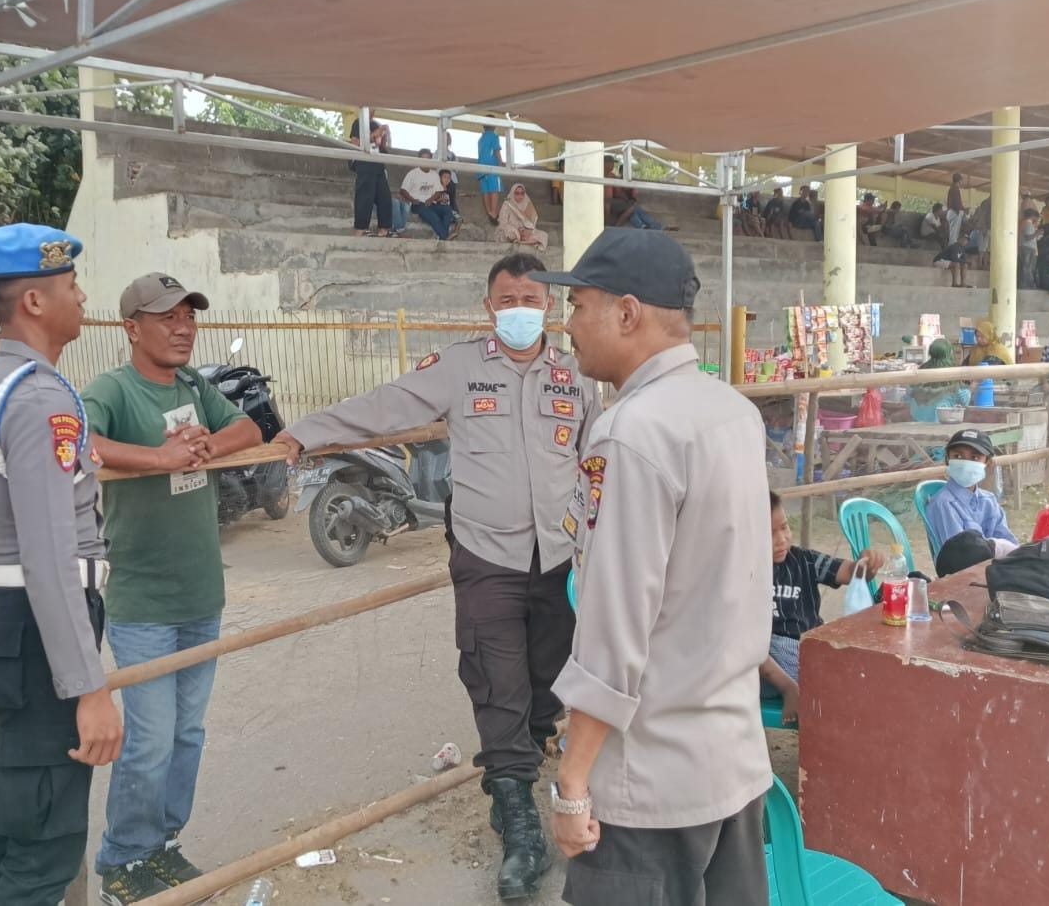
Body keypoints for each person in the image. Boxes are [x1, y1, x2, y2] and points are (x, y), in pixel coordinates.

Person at [275, 254, 598, 901]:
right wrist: (303, 433)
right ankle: (518, 819)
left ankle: (521, 771)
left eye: (531, 299)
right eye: (508, 299)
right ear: (489, 307)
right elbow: (384, 406)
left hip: (560, 559)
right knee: (497, 681)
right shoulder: (459, 367)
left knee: (548, 681)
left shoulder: (576, 377)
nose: (520, 309)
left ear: (550, 306)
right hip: (487, 557)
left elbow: (596, 461)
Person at [534, 229, 772, 906]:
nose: (567, 325)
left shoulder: (632, 433)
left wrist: (572, 782)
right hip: (732, 759)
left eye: (578, 305)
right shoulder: (732, 412)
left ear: (627, 313)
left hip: (652, 784)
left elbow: (614, 630)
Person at [0, 223, 123, 906]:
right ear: (32, 301)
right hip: (38, 633)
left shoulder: (4, 383)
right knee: (44, 848)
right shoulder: (38, 398)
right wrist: (89, 689)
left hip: (13, 627)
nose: (81, 297)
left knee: (7, 835)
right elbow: (50, 556)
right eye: (70, 285)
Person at [83, 273, 263, 903]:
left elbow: (249, 430)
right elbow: (81, 443)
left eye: (189, 316)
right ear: (131, 329)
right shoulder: (112, 389)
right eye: (168, 318)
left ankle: (161, 845)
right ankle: (121, 860)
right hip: (143, 599)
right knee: (151, 738)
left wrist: (208, 442)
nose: (184, 328)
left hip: (200, 593)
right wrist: (159, 458)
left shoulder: (192, 386)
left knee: (186, 735)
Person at [759, 490, 880, 724]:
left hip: (807, 649)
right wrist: (788, 687)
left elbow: (849, 572)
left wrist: (865, 565)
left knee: (851, 661)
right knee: (760, 644)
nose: (782, 539)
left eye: (784, 527)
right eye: (770, 533)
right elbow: (746, 643)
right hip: (769, 666)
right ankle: (805, 686)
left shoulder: (804, 560)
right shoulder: (745, 573)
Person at [924, 429, 1018, 551]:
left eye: (975, 457)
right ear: (947, 459)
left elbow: (1008, 541)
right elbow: (959, 554)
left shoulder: (988, 500)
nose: (965, 463)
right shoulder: (943, 504)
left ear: (988, 463)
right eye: (958, 456)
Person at [398, 148, 459, 240]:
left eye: (428, 159)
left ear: (431, 159)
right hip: (418, 204)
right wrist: (413, 200)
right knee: (433, 216)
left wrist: (431, 199)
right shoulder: (413, 173)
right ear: (419, 160)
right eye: (423, 159)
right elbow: (403, 190)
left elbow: (438, 191)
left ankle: (442, 237)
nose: (426, 162)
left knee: (447, 209)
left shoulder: (434, 174)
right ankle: (445, 237)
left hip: (431, 203)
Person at [905, 338, 970, 422]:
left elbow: (909, 394)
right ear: (949, 353)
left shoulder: (922, 369)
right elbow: (964, 399)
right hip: (942, 421)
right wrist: (971, 389)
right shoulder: (953, 371)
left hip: (918, 421)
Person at [348, 117, 393, 236]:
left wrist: (384, 136)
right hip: (364, 162)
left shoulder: (376, 124)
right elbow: (355, 143)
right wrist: (373, 135)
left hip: (378, 163)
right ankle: (361, 229)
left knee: (385, 198)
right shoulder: (359, 122)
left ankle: (384, 230)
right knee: (365, 197)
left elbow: (381, 147)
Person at [603, 158, 661, 230]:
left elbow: (632, 196)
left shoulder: (627, 181)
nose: (613, 165)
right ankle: (648, 226)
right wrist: (626, 199)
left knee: (634, 208)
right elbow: (618, 193)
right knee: (632, 208)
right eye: (624, 171)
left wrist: (628, 199)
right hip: (614, 201)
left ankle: (647, 226)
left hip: (623, 201)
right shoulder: (615, 178)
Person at [496, 183, 547, 248]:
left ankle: (521, 242)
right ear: (512, 193)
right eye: (517, 193)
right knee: (511, 234)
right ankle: (523, 240)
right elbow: (503, 223)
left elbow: (532, 222)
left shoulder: (527, 202)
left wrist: (526, 229)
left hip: (524, 231)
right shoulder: (507, 204)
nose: (520, 196)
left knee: (543, 235)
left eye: (522, 193)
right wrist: (516, 229)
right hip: (512, 229)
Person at [478, 123, 506, 222]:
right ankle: (493, 212)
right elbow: (496, 151)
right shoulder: (494, 136)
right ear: (494, 126)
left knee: (485, 191)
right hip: (492, 167)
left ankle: (488, 211)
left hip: (481, 167)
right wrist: (501, 163)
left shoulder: (481, 139)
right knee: (494, 190)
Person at [1018, 208, 1040, 288]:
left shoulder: (1022, 223)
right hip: (1028, 248)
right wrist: (1037, 233)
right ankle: (1026, 286)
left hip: (1024, 247)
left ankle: (1024, 285)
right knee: (1028, 269)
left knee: (1024, 268)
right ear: (1033, 216)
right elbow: (1028, 237)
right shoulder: (1028, 224)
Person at [946, 172, 967, 244]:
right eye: (961, 180)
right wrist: (962, 209)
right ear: (959, 180)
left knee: (954, 234)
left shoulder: (952, 188)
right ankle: (952, 248)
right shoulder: (955, 189)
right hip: (955, 212)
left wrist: (963, 209)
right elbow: (956, 203)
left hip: (952, 212)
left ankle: (952, 247)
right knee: (954, 235)